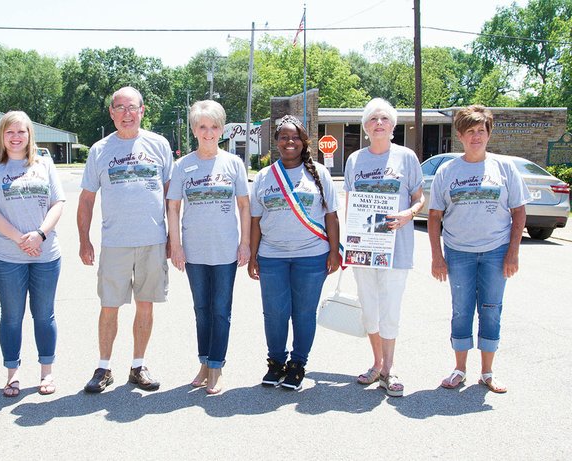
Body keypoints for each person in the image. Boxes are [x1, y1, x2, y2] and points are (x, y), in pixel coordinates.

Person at [77, 86, 173, 393]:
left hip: (152, 240)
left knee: (145, 304)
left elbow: (172, 197)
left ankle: (138, 365)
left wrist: (173, 238)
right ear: (111, 113)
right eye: (119, 108)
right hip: (115, 242)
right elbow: (87, 200)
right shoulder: (100, 150)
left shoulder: (159, 145)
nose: (126, 114)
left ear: (143, 111)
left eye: (132, 108)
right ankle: (103, 367)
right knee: (110, 305)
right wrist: (84, 240)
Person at [428, 105, 529, 394]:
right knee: (461, 311)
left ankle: (487, 372)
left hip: (496, 252)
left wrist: (513, 252)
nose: (476, 136)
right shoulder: (448, 170)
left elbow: (519, 212)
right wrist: (438, 257)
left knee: (491, 309)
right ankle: (459, 369)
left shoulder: (505, 168)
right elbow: (434, 217)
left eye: (481, 131)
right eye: (470, 131)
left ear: (488, 134)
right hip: (458, 252)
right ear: (460, 135)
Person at [248, 115, 341, 391]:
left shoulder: (319, 173)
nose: (290, 142)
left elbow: (332, 216)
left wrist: (334, 252)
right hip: (272, 255)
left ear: (304, 142)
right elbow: (255, 220)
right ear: (276, 142)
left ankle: (298, 364)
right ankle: (276, 362)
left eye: (295, 137)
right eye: (284, 137)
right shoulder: (264, 176)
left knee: (303, 313)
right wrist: (253, 256)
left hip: (312, 256)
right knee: (274, 313)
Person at [0, 111, 65, 397]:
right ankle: (12, 375)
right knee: (12, 316)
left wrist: (38, 235)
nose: (16, 137)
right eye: (10, 132)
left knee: (44, 315)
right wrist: (19, 239)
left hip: (45, 254)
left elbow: (58, 202)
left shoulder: (44, 164)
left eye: (21, 132)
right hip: (7, 256)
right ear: (2, 136)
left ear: (30, 135)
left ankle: (46, 373)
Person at [167, 100, 250, 395]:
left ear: (222, 130)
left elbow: (243, 205)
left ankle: (216, 367)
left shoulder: (233, 164)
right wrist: (175, 246)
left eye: (214, 126)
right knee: (202, 309)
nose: (209, 132)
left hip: (226, 249)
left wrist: (245, 243)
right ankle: (204, 363)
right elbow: (173, 208)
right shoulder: (183, 165)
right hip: (194, 251)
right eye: (202, 126)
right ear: (194, 130)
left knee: (220, 310)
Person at [343, 98, 425, 397]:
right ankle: (376, 362)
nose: (379, 123)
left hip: (396, 245)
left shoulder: (406, 158)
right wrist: (349, 244)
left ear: (393, 126)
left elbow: (419, 197)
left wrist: (409, 213)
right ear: (366, 127)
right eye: (373, 119)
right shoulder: (355, 161)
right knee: (370, 309)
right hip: (365, 244)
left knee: (390, 308)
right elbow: (351, 203)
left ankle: (390, 368)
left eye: (385, 119)